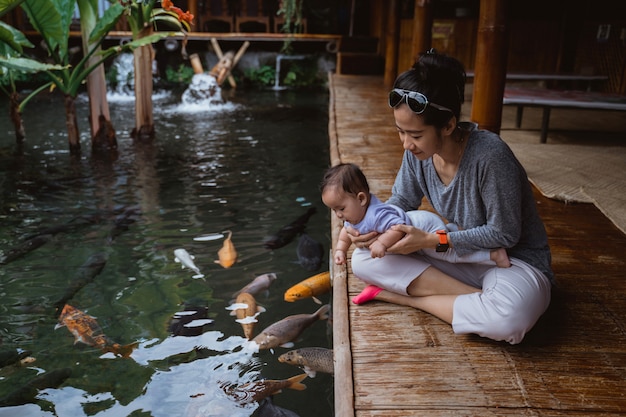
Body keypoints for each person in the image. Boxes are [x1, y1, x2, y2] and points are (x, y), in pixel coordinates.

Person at [345, 49, 553, 345]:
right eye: (400, 132)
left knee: (509, 320)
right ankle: (476, 300)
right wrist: (368, 227)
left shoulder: (491, 156)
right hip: (464, 254)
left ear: (448, 125)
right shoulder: (418, 155)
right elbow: (401, 202)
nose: (406, 144)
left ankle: (404, 298)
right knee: (365, 259)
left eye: (415, 135)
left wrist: (434, 241)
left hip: (515, 263)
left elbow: (505, 233)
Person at [320, 162, 510, 267]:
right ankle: (453, 230)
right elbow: (346, 233)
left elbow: (399, 229)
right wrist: (340, 250)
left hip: (425, 227)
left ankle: (491, 254)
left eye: (341, 209)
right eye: (334, 210)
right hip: (422, 224)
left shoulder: (377, 215)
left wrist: (381, 242)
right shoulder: (352, 216)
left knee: (448, 255)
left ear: (361, 199)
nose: (338, 215)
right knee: (361, 262)